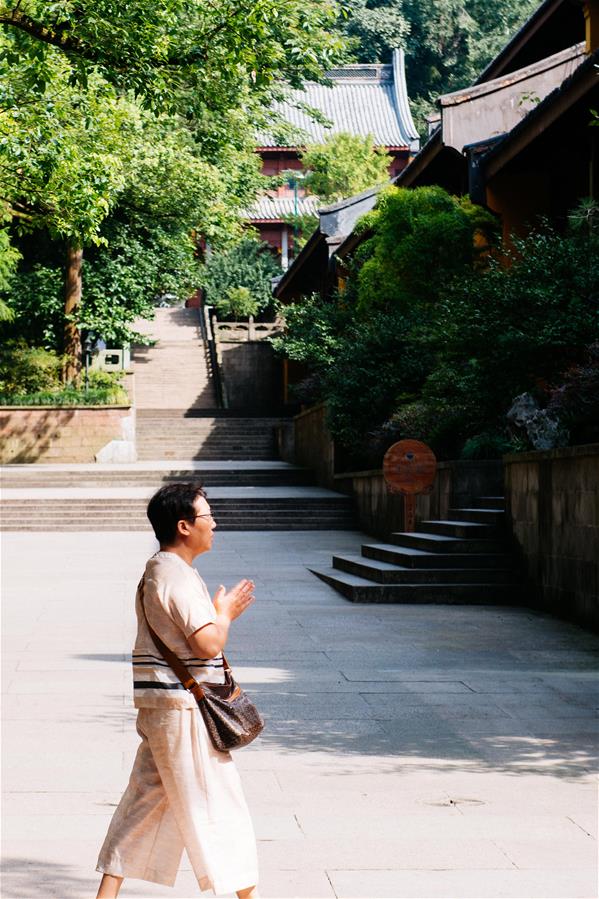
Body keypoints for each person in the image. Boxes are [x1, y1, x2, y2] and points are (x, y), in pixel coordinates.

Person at [95, 482, 259, 898]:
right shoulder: (175, 575)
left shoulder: (161, 569)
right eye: (207, 516)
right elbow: (208, 644)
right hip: (184, 712)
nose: (214, 523)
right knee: (219, 805)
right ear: (185, 526)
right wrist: (225, 614)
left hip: (165, 707)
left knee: (143, 806)